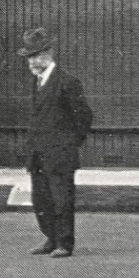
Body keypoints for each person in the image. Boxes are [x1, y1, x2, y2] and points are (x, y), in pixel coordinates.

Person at [18, 28, 93, 257]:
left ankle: (64, 243)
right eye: (29, 56)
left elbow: (84, 116)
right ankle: (50, 238)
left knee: (61, 199)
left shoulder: (67, 82)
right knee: (41, 200)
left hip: (60, 153)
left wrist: (69, 144)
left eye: (36, 55)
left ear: (49, 53)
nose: (31, 61)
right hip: (38, 153)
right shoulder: (37, 81)